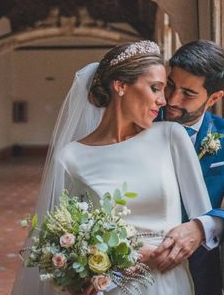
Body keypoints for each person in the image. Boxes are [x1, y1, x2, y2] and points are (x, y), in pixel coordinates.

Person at [11, 40, 212, 295]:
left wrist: (176, 244)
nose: (164, 101)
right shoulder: (70, 157)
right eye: (155, 88)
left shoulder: (172, 137)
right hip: (109, 288)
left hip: (168, 283)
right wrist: (129, 258)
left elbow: (202, 219)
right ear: (120, 86)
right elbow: (60, 245)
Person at [152, 40, 224, 295]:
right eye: (170, 85)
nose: (171, 99)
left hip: (200, 278)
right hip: (141, 271)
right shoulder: (141, 122)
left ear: (214, 98)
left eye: (188, 94)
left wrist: (201, 228)